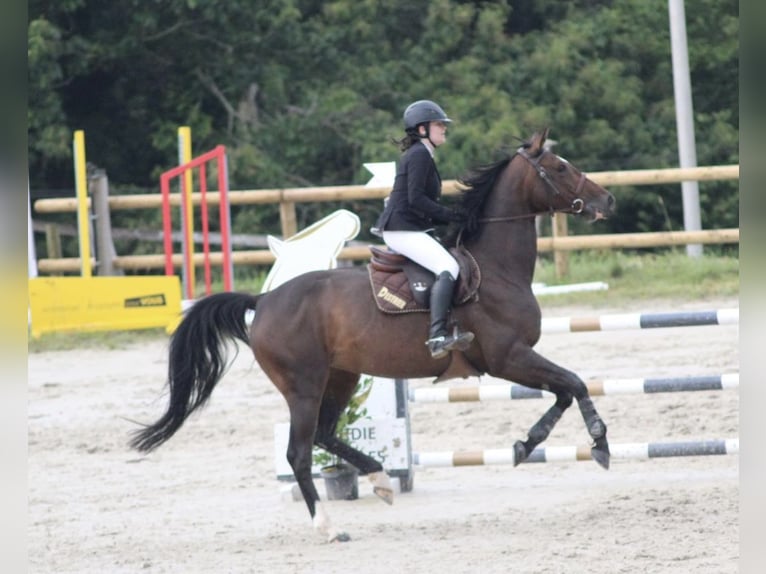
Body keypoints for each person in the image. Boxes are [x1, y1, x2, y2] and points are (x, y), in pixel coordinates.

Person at [373, 99, 474, 359]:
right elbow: (416, 199)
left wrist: (451, 216)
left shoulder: (424, 154)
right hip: (402, 228)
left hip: (411, 226)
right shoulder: (419, 154)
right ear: (422, 130)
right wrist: (451, 216)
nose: (444, 129)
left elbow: (422, 204)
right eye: (439, 125)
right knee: (448, 267)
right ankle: (437, 336)